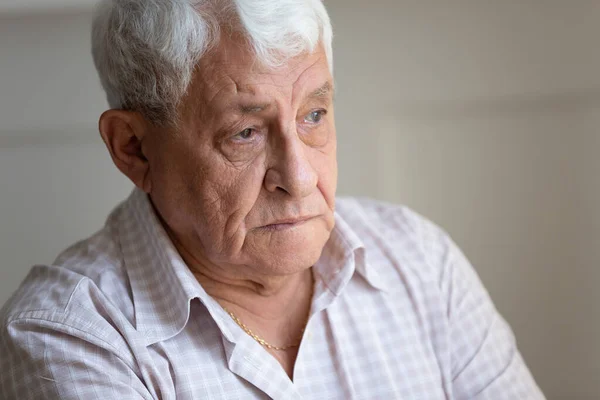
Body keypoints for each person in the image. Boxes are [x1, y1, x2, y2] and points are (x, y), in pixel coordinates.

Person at [0, 0, 545, 399]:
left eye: (313, 115)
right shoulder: (69, 337)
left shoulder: (419, 261)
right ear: (134, 148)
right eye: (245, 133)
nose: (301, 177)